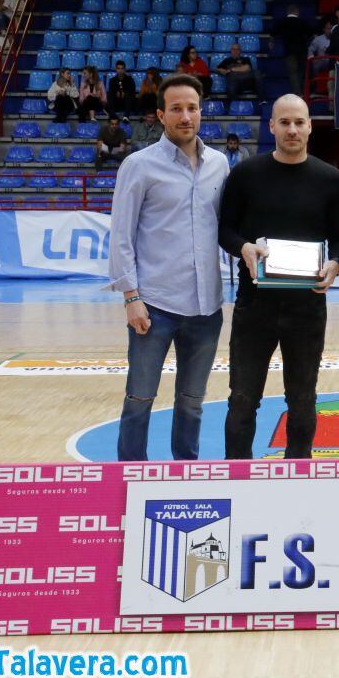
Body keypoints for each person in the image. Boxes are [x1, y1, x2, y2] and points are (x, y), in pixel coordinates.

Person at [218, 95, 339, 459]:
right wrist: (243, 247)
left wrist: (336, 264)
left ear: (310, 126)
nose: (293, 129)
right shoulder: (245, 174)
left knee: (303, 399)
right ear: (272, 126)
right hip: (254, 305)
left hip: (307, 307)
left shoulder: (330, 179)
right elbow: (225, 230)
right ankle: (237, 476)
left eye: (299, 122)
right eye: (285, 122)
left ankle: (299, 476)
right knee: (242, 398)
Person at [107, 73, 229, 462]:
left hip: (206, 307)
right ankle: (130, 474)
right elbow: (121, 235)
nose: (185, 116)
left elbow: (229, 225)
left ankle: (186, 472)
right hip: (154, 305)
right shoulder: (138, 165)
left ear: (201, 112)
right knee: (140, 397)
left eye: (192, 108)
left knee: (193, 401)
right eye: (176, 109)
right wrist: (131, 297)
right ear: (161, 115)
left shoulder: (220, 164)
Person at [272, 4, 311, 96]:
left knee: (292, 72)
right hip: (302, 51)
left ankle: (297, 93)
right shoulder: (302, 22)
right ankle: (302, 92)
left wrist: (271, 42)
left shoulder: (282, 22)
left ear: (288, 12)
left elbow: (273, 33)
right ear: (297, 12)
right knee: (301, 72)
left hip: (289, 51)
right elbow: (310, 34)